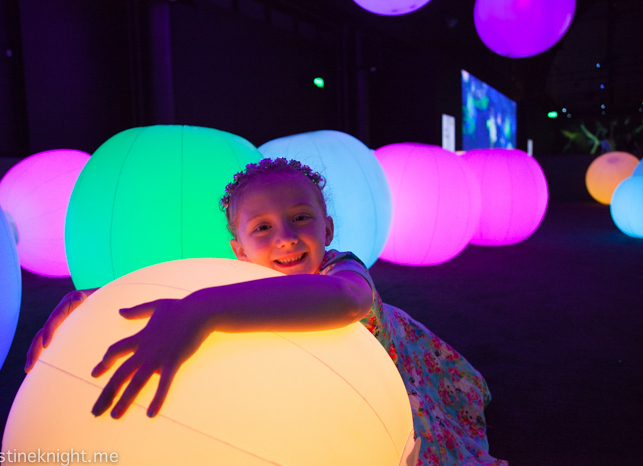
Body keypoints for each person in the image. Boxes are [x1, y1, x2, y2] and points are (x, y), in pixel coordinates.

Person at [26, 157, 506, 466]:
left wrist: (202, 312)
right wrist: (94, 298)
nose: (285, 237)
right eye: (263, 227)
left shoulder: (343, 270)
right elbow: (180, 277)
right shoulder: (246, 275)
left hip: (392, 362)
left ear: (329, 228)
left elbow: (344, 302)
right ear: (239, 249)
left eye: (301, 218)